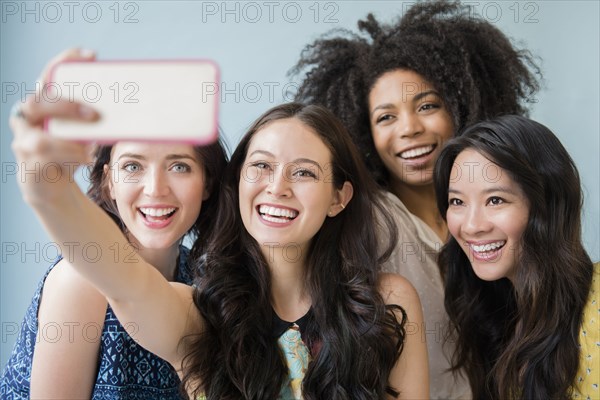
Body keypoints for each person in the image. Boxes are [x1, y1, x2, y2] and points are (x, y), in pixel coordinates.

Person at [8, 54, 430, 399]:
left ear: (339, 197)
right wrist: (47, 187)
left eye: (302, 173)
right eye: (261, 166)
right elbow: (123, 279)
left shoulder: (388, 303)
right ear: (238, 181)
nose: (276, 187)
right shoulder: (199, 313)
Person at [291, 1, 541, 397]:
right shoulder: (368, 219)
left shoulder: (501, 210)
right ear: (363, 134)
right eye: (386, 117)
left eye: (427, 106)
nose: (409, 129)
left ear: (461, 107)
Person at [1, 49, 228, 400]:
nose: (155, 189)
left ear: (208, 182)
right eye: (133, 166)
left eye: (179, 166)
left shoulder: (199, 278)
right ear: (108, 182)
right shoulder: (80, 281)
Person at [433, 115, 599, 400]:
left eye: (495, 200)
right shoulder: (496, 319)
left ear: (546, 205)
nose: (472, 225)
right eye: (457, 201)